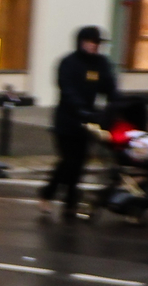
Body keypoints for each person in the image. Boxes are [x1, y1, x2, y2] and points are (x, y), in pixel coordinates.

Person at [42, 25, 119, 211]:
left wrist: (115, 104)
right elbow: (67, 89)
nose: (94, 46)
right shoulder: (68, 62)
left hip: (89, 120)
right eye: (91, 42)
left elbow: (109, 86)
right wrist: (80, 109)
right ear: (81, 42)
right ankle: (48, 194)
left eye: (97, 43)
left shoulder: (101, 63)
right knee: (68, 160)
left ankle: (70, 200)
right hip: (67, 120)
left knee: (80, 162)